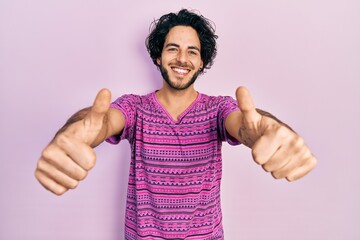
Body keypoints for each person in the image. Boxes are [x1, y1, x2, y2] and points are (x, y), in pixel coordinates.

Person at [35, 9, 317, 240]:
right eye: (173, 49)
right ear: (158, 56)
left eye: (192, 52)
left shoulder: (218, 109)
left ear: (201, 62)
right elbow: (104, 121)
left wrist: (265, 131)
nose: (182, 58)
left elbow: (244, 124)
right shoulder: (135, 107)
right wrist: (76, 133)